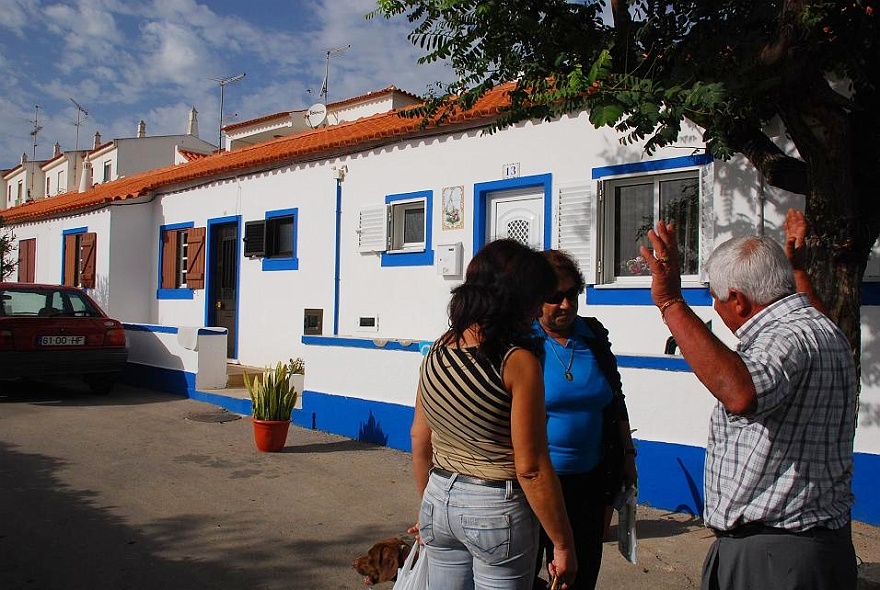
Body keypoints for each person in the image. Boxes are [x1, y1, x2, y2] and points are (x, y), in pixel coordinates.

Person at [640, 209, 857, 590]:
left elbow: (742, 394)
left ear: (738, 300)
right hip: (804, 545)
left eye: (716, 299)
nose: (717, 309)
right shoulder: (819, 327)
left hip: (778, 553)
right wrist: (799, 270)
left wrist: (671, 302)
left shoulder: (784, 337)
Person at [411, 238, 578, 590]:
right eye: (534, 299)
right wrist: (562, 544)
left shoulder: (440, 348)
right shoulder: (516, 361)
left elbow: (419, 436)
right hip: (494, 506)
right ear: (514, 300)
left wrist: (430, 503)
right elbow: (530, 467)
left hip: (439, 494)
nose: (537, 311)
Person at [532, 250, 637, 590]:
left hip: (591, 480)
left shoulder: (592, 335)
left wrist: (628, 456)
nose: (566, 304)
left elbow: (615, 398)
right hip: (537, 484)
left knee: (580, 573)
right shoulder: (523, 342)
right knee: (526, 575)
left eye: (572, 294)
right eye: (554, 297)